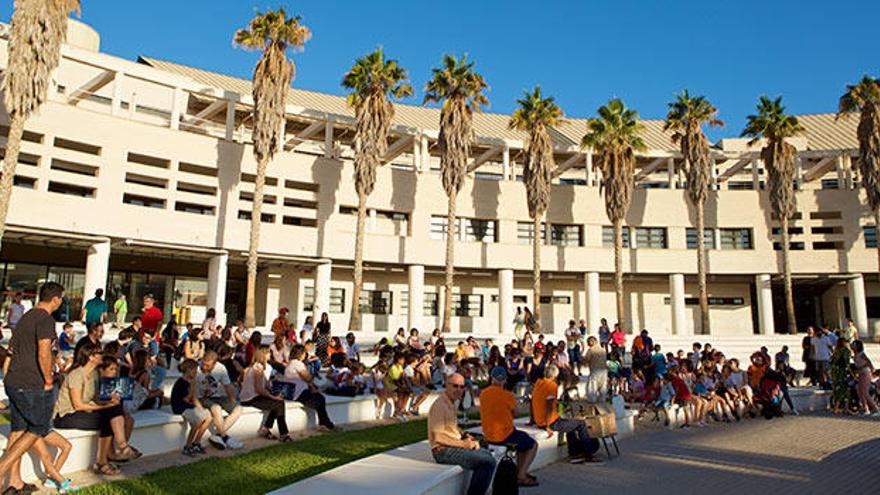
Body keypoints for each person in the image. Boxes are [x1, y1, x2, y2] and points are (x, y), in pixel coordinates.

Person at [0, 282, 78, 492]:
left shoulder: (26, 317)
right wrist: (48, 379)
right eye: (61, 298)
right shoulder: (45, 320)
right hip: (31, 383)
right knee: (38, 429)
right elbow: (44, 352)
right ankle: (1, 470)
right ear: (55, 299)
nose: (61, 302)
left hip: (14, 381)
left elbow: (11, 351)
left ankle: (13, 482)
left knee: (18, 430)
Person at [54, 344, 141, 475]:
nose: (102, 355)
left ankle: (117, 450)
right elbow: (78, 405)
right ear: (91, 357)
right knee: (106, 417)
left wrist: (110, 401)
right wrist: (103, 406)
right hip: (66, 416)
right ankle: (107, 458)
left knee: (114, 409)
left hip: (81, 413)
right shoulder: (77, 375)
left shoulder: (93, 374)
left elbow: (96, 399)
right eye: (99, 353)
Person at [428, 373, 496, 495]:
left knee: (487, 452)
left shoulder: (450, 403)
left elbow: (451, 428)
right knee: (488, 461)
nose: (459, 390)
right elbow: (437, 437)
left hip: (451, 446)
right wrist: (464, 444)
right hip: (443, 451)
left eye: (461, 386)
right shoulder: (439, 405)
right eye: (455, 386)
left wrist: (464, 434)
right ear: (446, 386)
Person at [480, 367, 538, 487]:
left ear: (492, 378)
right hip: (504, 434)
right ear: (505, 380)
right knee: (532, 445)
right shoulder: (508, 395)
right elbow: (515, 413)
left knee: (523, 441)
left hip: (488, 433)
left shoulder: (483, 394)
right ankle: (521, 475)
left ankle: (519, 472)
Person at [533, 365, 602, 464]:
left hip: (540, 420)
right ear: (555, 375)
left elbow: (534, 402)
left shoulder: (538, 383)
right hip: (550, 422)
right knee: (581, 424)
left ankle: (574, 454)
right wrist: (548, 426)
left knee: (570, 426)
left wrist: (533, 420)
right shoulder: (552, 385)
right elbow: (549, 407)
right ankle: (588, 455)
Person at [241, 346, 291, 441]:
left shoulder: (256, 366)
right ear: (263, 355)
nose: (270, 355)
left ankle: (267, 429)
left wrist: (277, 392)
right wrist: (273, 397)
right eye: (268, 353)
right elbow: (259, 389)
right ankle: (283, 434)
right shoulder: (258, 368)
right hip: (251, 398)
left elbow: (267, 385)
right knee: (278, 404)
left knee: (277, 403)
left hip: (252, 397)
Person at [197, 351, 244, 450]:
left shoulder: (221, 368)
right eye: (203, 364)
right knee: (216, 408)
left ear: (215, 364)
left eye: (208, 366)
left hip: (216, 397)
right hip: (201, 398)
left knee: (238, 409)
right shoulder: (197, 368)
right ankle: (225, 437)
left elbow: (228, 386)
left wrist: (232, 400)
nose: (204, 367)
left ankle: (218, 435)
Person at [284, 345, 335, 430]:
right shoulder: (298, 364)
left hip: (292, 392)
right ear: (301, 354)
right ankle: (325, 424)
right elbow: (308, 378)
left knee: (319, 398)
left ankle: (324, 423)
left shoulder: (291, 363)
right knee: (320, 399)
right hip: (298, 393)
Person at [171, 359, 213, 457]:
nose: (195, 372)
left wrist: (201, 409)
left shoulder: (190, 382)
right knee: (197, 420)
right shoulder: (181, 383)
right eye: (194, 370)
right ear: (188, 370)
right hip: (180, 407)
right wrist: (192, 388)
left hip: (188, 406)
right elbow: (186, 399)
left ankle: (196, 443)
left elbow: (194, 399)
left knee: (208, 417)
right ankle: (188, 446)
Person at [852, 340, 879, 415]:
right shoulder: (855, 354)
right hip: (861, 374)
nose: (852, 346)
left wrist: (872, 368)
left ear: (858, 346)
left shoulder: (861, 354)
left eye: (854, 344)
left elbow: (868, 361)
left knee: (865, 392)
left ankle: (876, 409)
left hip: (865, 373)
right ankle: (865, 409)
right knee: (859, 391)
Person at [584, 336, 608, 402]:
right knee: (603, 386)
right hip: (604, 370)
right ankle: (602, 400)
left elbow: (586, 360)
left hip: (595, 369)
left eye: (588, 342)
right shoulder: (603, 350)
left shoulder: (591, 350)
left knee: (592, 386)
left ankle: (592, 400)